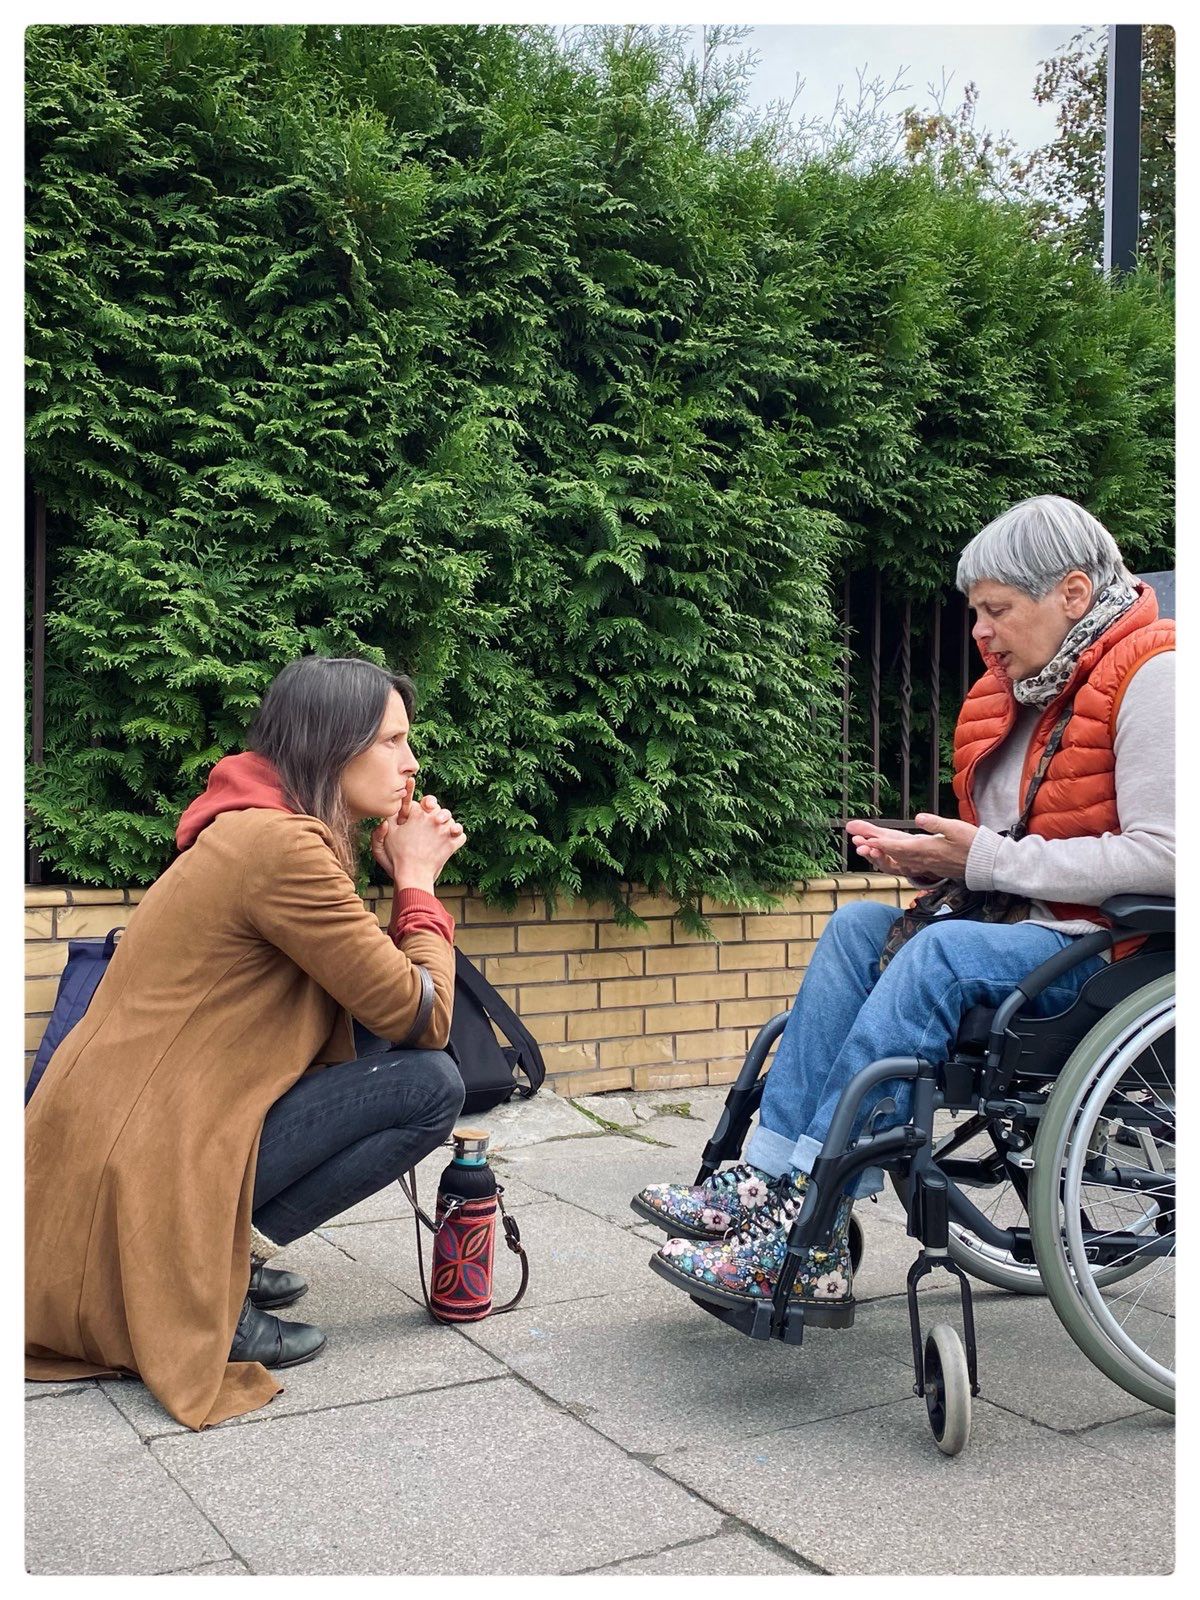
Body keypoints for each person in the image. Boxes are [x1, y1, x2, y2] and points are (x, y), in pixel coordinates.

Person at [635, 495, 1175, 1311]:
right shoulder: (1025, 693)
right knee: (859, 926)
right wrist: (938, 863)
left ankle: (807, 1227)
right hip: (1022, 933)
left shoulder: (1156, 677)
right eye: (976, 613)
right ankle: (766, 1175)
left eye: (995, 610)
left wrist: (984, 858)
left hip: (1107, 957)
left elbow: (1169, 858)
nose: (980, 633)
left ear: (1071, 593)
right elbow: (1016, 849)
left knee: (940, 954)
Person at [26, 656, 468, 1430]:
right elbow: (421, 1016)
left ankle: (219, 1259)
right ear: (333, 746)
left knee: (381, 1059)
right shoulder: (280, 849)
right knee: (427, 1085)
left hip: (124, 1133)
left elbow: (366, 1000)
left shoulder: (255, 828)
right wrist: (418, 885)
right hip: (146, 1151)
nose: (411, 763)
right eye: (393, 742)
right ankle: (205, 1291)